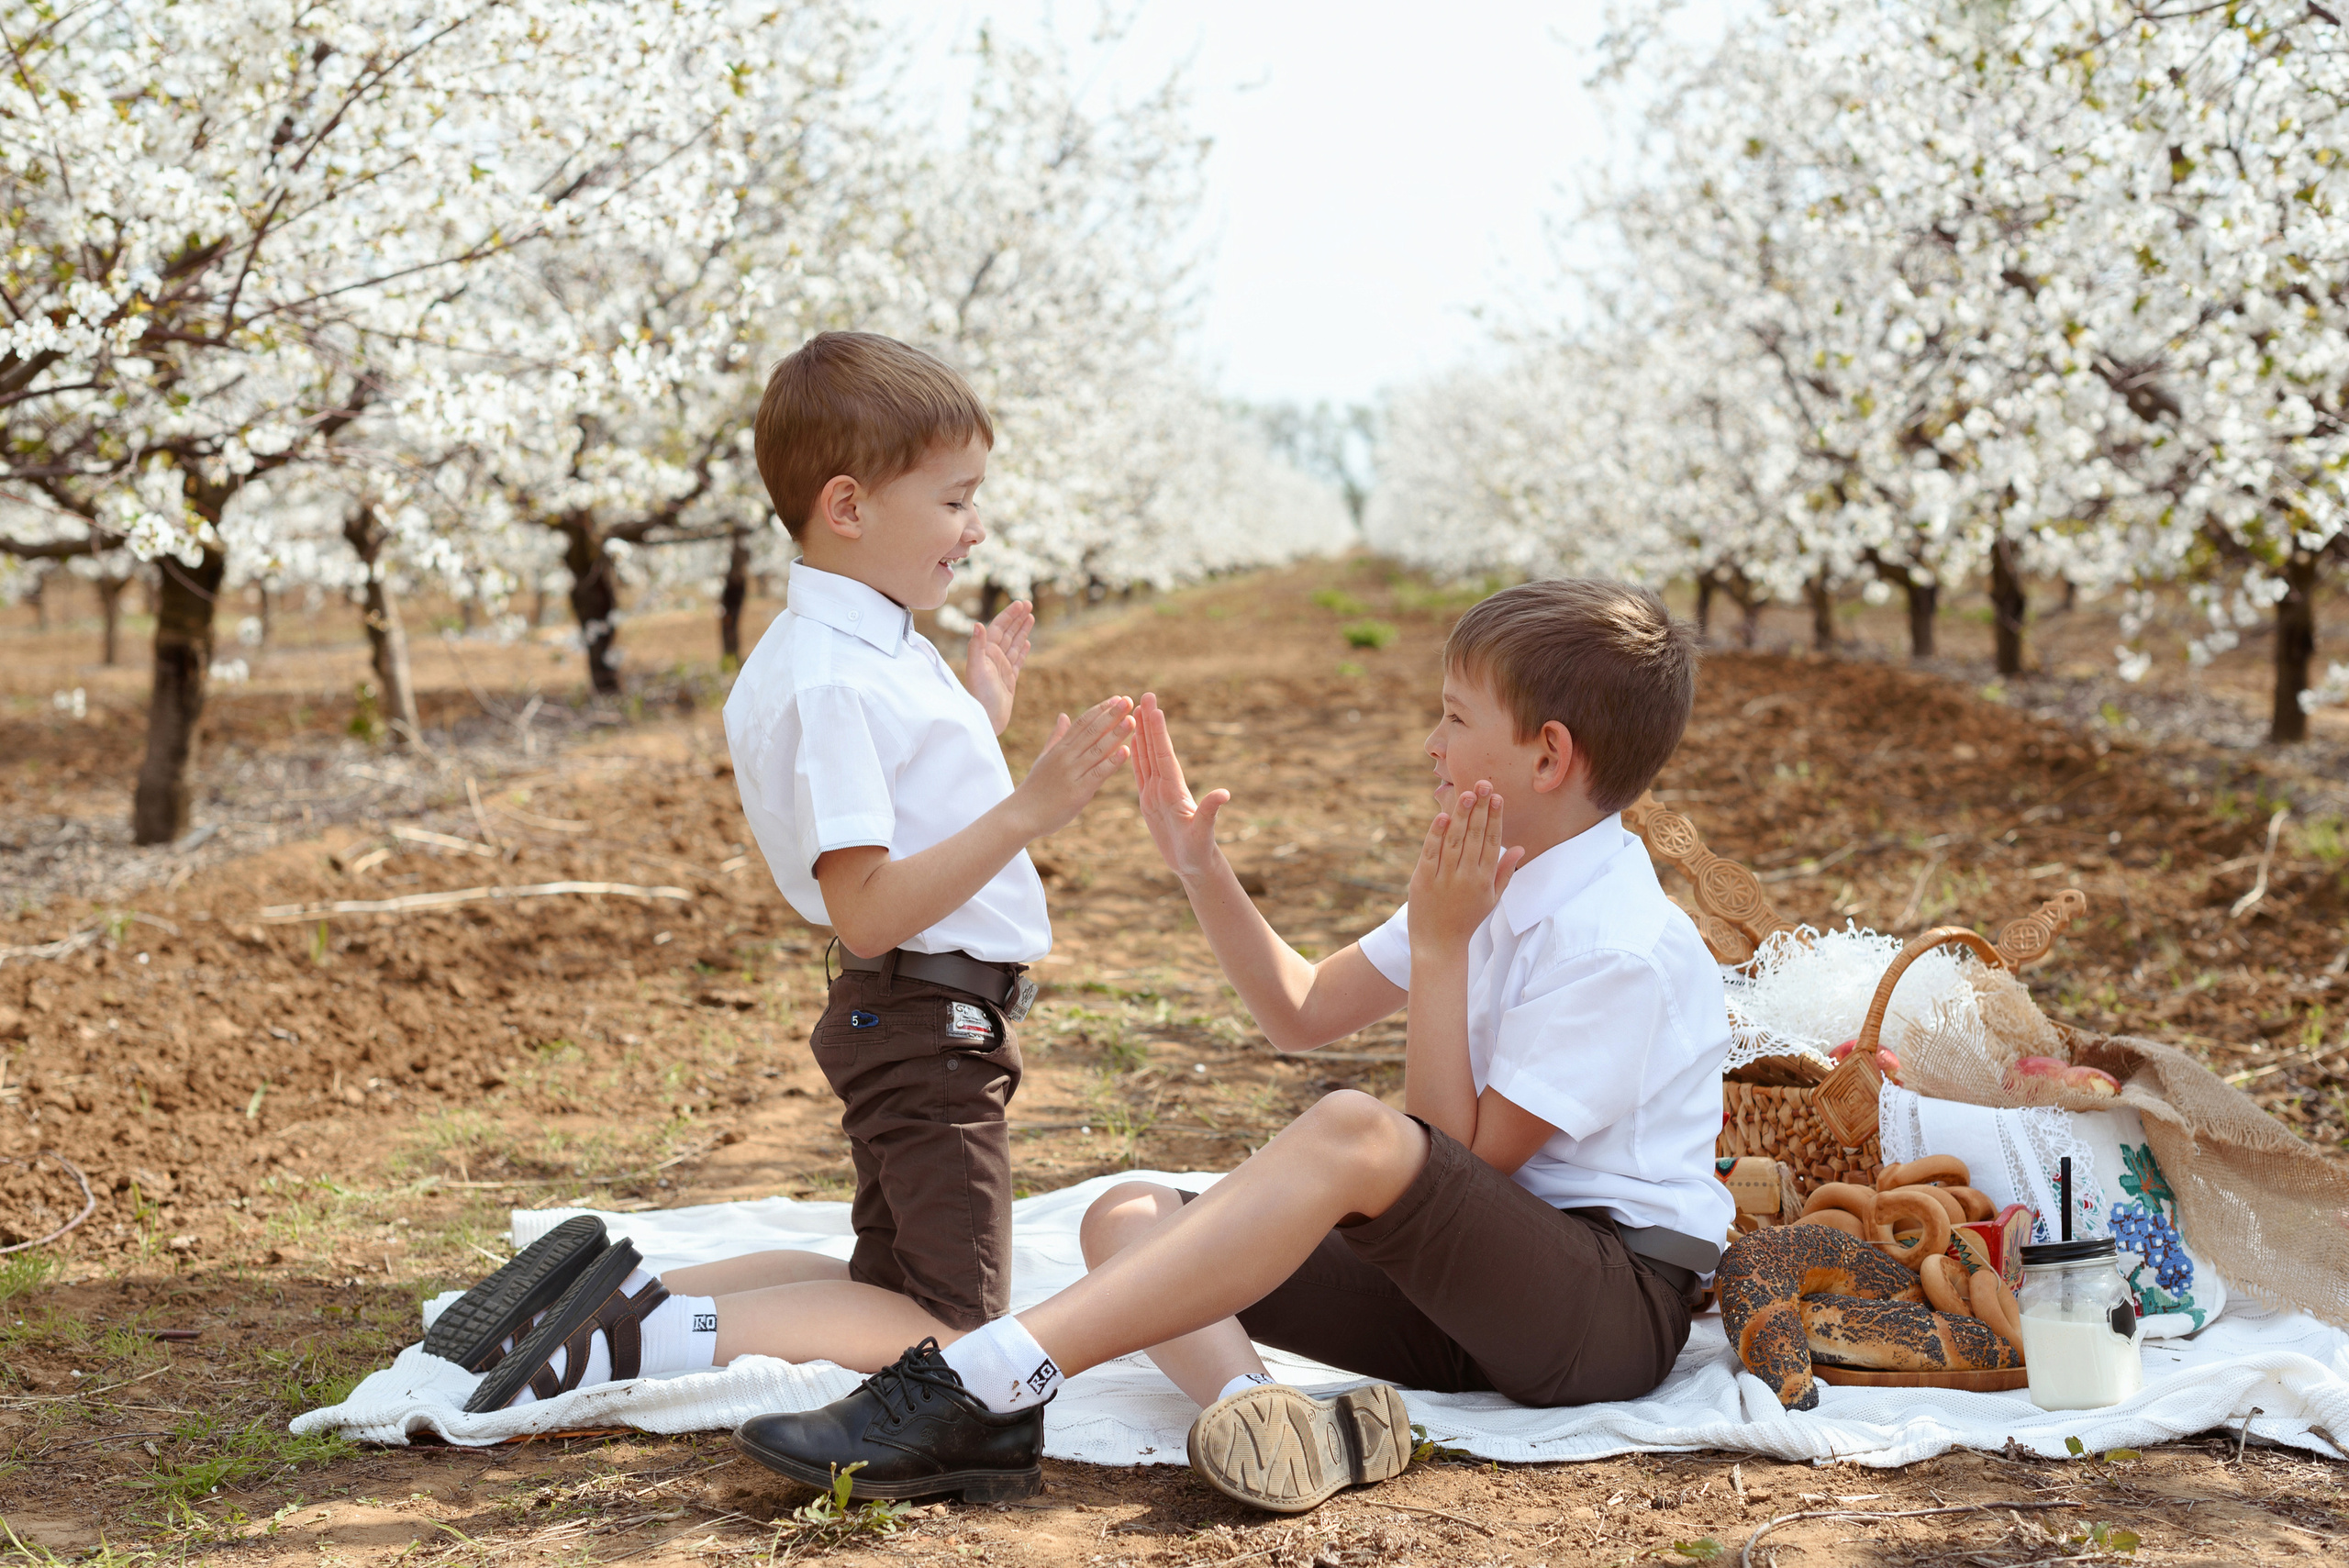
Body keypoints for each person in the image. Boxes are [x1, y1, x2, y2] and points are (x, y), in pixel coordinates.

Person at [725, 577, 1735, 1512]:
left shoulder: (1617, 941)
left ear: (1549, 755)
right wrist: (1199, 867)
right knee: (1127, 1214)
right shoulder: (1491, 875)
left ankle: (984, 1383)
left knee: (1356, 1130)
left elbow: (1450, 1159)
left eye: (1455, 716)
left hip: (1598, 1308)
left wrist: (1440, 946)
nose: (1431, 741)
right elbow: (1298, 1009)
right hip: (1469, 1293)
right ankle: (1267, 1417)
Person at [417, 332, 1136, 1415]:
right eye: (952, 501)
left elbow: (905, 799)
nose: (974, 527)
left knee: (885, 1288)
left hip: (917, 1022)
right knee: (955, 1326)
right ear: (848, 508)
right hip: (926, 1026)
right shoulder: (836, 679)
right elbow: (864, 909)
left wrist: (976, 714)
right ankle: (653, 1328)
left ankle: (596, 1293)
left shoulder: (862, 648)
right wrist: (1033, 802)